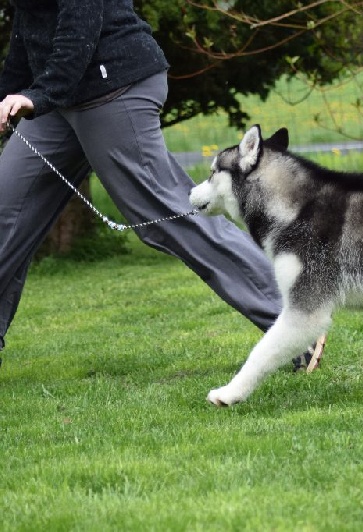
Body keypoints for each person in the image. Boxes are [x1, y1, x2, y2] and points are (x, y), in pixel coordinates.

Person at [0, 0, 320, 368]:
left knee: (168, 215)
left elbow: (80, 27)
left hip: (112, 87)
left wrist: (39, 95)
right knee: (7, 209)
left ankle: (294, 318)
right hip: (58, 101)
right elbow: (28, 31)